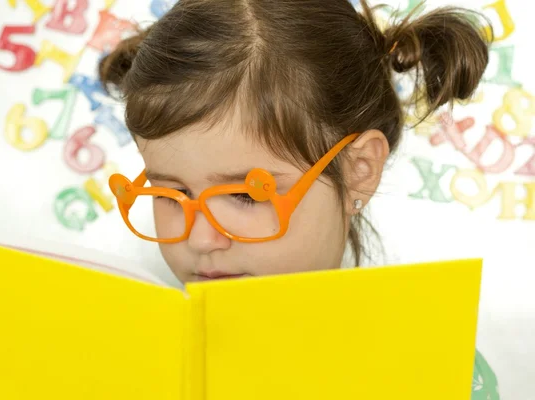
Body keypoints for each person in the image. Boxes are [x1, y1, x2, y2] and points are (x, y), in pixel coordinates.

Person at [99, 0, 499, 398]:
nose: (201, 239)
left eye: (245, 194)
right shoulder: (130, 357)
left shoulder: (431, 373)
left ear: (359, 170)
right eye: (172, 193)